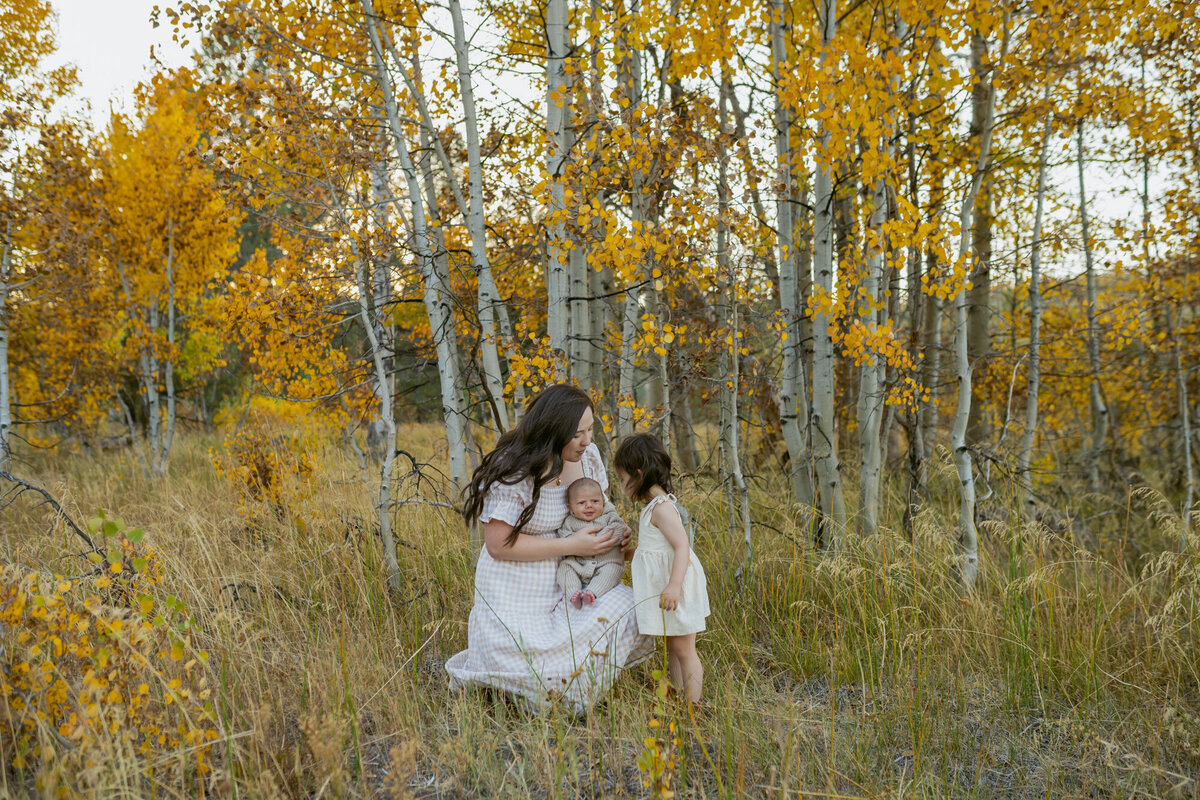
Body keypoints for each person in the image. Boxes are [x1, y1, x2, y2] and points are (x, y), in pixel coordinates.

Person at [445, 384, 654, 713]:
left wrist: (617, 534)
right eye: (577, 434)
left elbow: (602, 508)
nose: (587, 442)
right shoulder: (514, 468)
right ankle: (523, 695)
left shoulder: (588, 459)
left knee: (630, 606)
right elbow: (498, 545)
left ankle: (572, 694)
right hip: (512, 590)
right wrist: (572, 543)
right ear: (552, 430)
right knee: (523, 668)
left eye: (590, 430)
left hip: (570, 582)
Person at [614, 432, 710, 703]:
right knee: (672, 647)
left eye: (622, 479)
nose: (621, 486)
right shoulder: (651, 507)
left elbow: (681, 546)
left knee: (684, 650)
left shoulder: (662, 508)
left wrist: (674, 585)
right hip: (668, 590)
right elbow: (656, 551)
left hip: (676, 587)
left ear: (639, 473)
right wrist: (632, 554)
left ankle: (694, 706)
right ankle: (678, 696)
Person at [556, 477, 629, 609]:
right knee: (565, 568)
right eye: (582, 503)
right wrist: (574, 541)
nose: (589, 506)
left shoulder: (609, 516)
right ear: (570, 507)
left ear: (603, 501)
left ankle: (592, 593)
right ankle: (574, 593)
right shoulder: (570, 522)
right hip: (579, 563)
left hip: (606, 563)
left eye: (595, 501)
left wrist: (599, 539)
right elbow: (564, 537)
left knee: (613, 571)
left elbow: (619, 528)